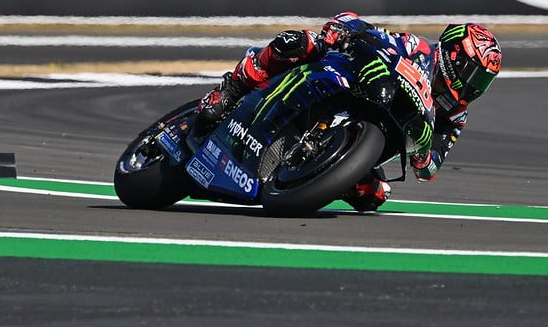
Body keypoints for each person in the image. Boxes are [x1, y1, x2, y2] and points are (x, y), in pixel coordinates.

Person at [198, 12, 502, 212]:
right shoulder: (416, 48)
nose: (474, 86)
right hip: (346, 86)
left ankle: (314, 177)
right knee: (300, 43)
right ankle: (232, 88)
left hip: (366, 136)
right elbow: (371, 32)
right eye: (472, 74)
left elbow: (430, 169)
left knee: (375, 194)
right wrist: (343, 29)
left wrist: (423, 156)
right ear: (453, 55)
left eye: (482, 81)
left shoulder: (455, 115)